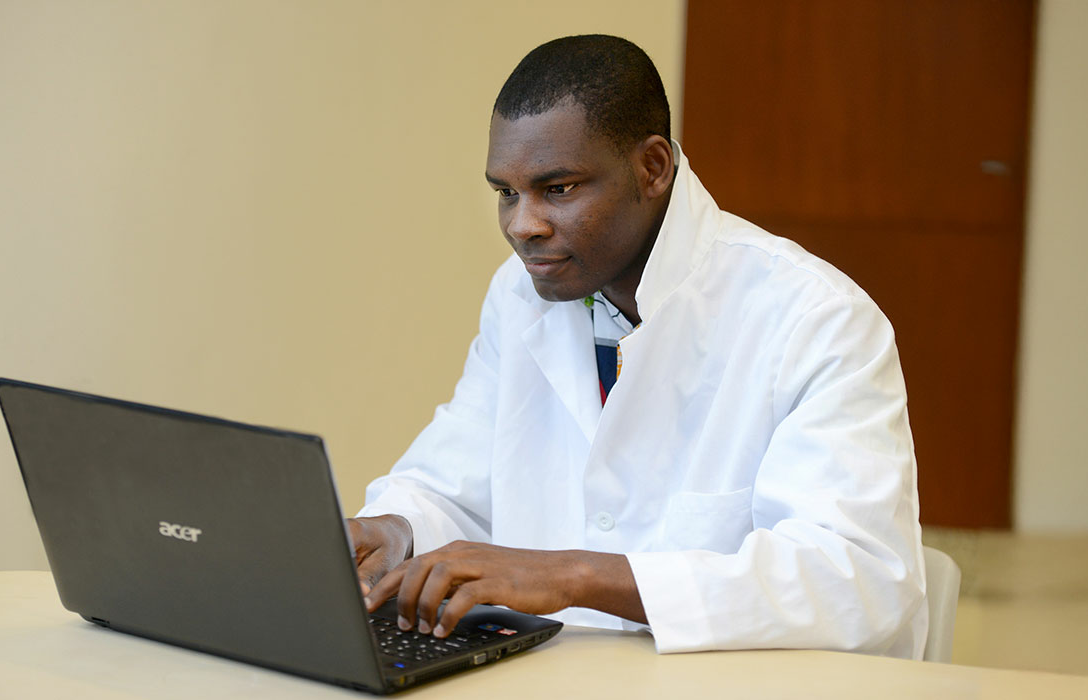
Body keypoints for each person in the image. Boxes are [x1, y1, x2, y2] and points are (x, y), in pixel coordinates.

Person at [351, 34, 926, 659]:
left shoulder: (815, 319)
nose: (523, 225)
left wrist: (577, 575)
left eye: (559, 188)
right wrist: (398, 527)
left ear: (652, 168)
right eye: (506, 193)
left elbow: (858, 578)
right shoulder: (519, 297)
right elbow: (453, 481)